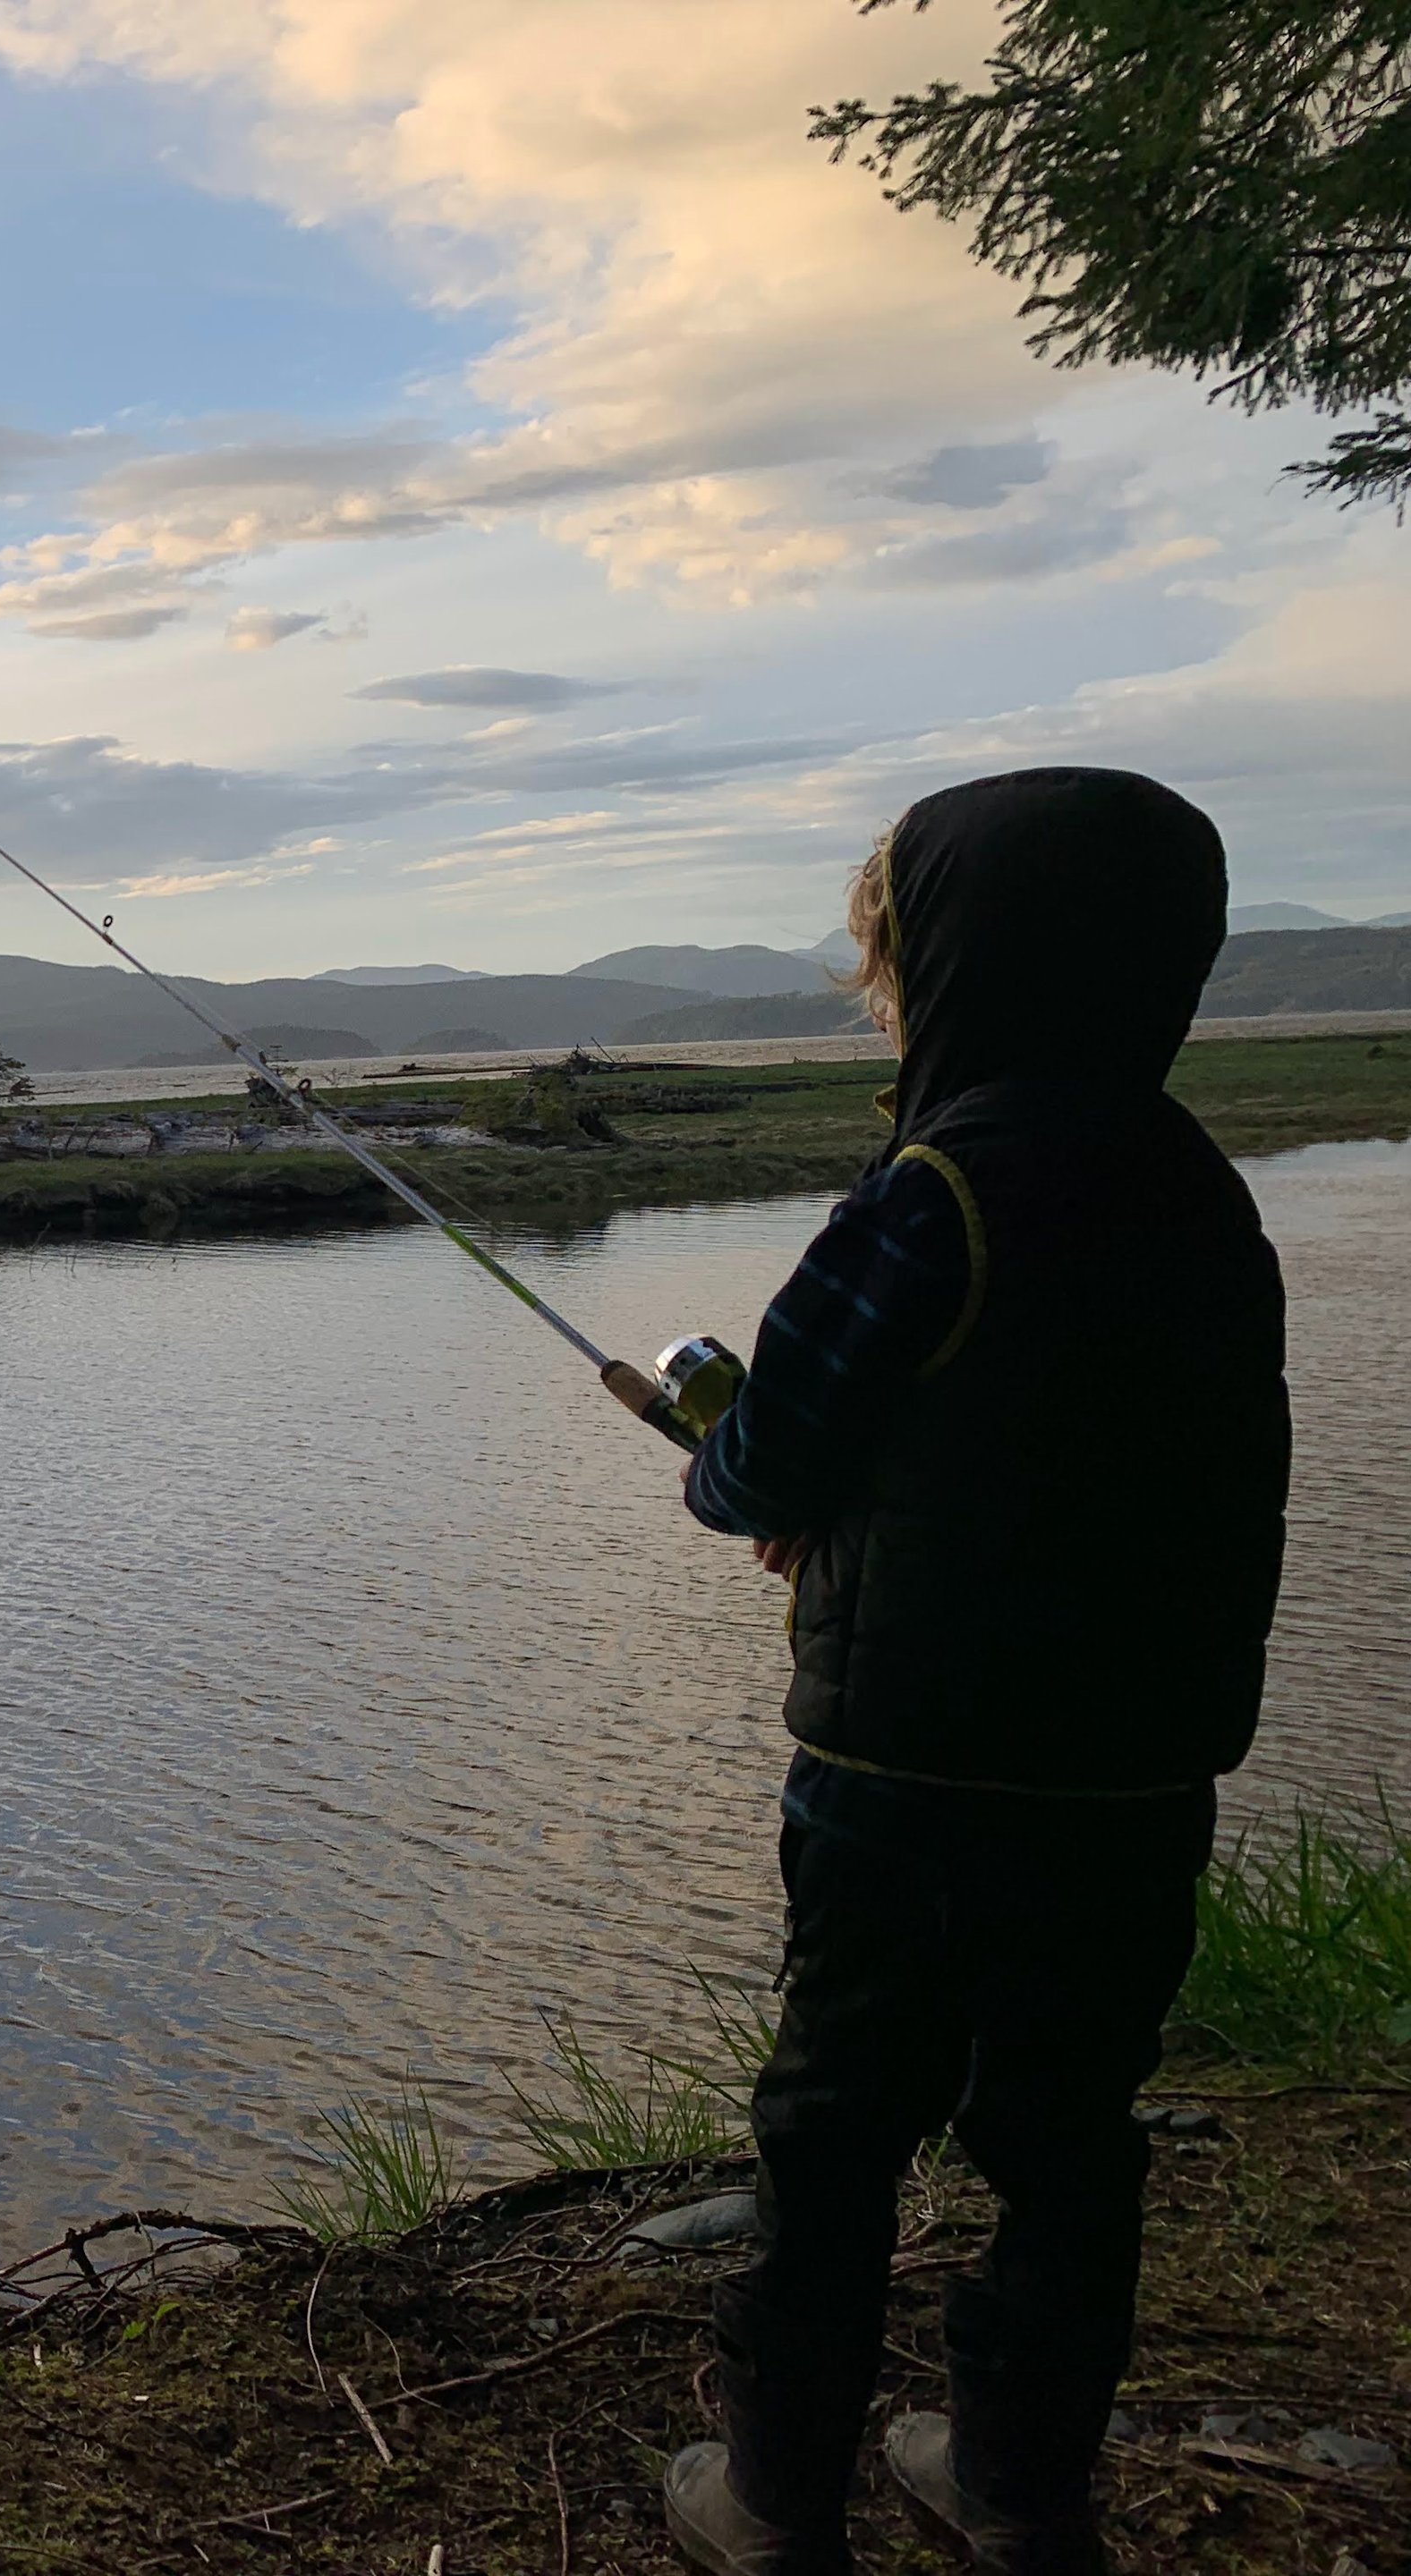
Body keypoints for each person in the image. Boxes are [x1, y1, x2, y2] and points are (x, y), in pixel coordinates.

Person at [659, 769, 1291, 2576]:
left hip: (905, 1782)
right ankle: (1018, 2489)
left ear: (948, 968)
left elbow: (759, 1464)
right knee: (1071, 2139)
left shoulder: (930, 1195)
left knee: (833, 2132)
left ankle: (776, 2500)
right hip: (1139, 1777)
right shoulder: (1202, 1193)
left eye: (893, 963)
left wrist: (746, 1482)